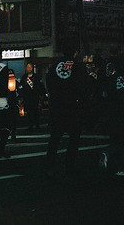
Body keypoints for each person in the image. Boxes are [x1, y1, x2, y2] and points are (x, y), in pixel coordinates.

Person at [45, 41, 88, 176]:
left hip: (57, 107)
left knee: (55, 138)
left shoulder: (54, 66)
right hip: (73, 107)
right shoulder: (78, 66)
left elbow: (49, 84)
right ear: (75, 52)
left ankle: (50, 166)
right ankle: (70, 166)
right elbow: (83, 87)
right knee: (74, 139)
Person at [18, 62, 45, 131]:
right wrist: (21, 96)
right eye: (28, 67)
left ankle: (37, 124)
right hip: (27, 97)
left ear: (32, 68)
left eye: (30, 67)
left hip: (35, 97)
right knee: (29, 111)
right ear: (26, 68)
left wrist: (42, 94)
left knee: (36, 111)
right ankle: (30, 124)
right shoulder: (24, 77)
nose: (29, 68)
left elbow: (40, 86)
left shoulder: (36, 77)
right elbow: (21, 87)